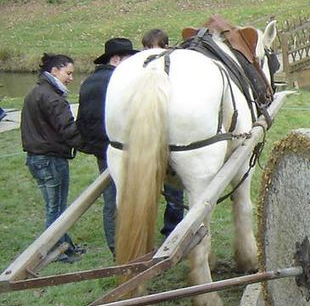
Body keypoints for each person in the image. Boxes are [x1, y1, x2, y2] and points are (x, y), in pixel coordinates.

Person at [21, 53, 85, 263]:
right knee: (56, 210)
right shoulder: (53, 98)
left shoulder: (36, 92)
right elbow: (68, 130)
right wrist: (89, 146)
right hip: (51, 160)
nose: (70, 78)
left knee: (54, 206)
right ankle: (56, 250)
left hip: (36, 159)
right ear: (55, 71)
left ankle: (66, 246)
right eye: (68, 73)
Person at [78, 38, 137, 253]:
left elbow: (83, 121)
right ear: (115, 59)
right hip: (118, 148)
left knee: (112, 197)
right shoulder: (117, 82)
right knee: (119, 198)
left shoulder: (89, 82)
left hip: (100, 149)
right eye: (128, 60)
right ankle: (121, 246)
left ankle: (116, 245)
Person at [140, 29, 187, 237]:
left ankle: (172, 229)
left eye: (155, 47)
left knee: (174, 193)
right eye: (147, 48)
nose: (151, 52)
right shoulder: (139, 70)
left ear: (166, 47)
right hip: (145, 140)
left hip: (168, 139)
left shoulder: (175, 72)